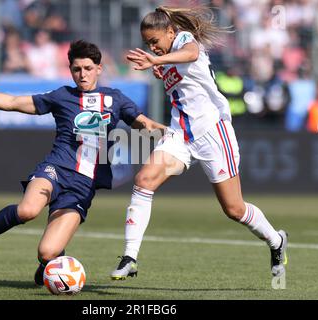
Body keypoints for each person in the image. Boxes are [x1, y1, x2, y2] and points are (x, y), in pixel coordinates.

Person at [0, 40, 166, 285]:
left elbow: (145, 123)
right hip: (56, 168)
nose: (82, 74)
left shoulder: (115, 99)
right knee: (28, 210)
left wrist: (173, 135)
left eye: (88, 68)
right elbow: (13, 103)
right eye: (77, 69)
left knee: (47, 252)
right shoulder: (62, 96)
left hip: (83, 187)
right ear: (71, 70)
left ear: (99, 68)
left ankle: (48, 264)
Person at [111, 6, 288, 280]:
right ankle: (129, 257)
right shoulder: (167, 57)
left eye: (155, 41)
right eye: (148, 44)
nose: (152, 48)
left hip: (212, 132)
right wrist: (162, 66)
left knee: (234, 209)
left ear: (170, 32)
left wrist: (158, 63)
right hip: (180, 135)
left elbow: (192, 53)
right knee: (144, 180)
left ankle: (276, 241)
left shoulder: (182, 40)